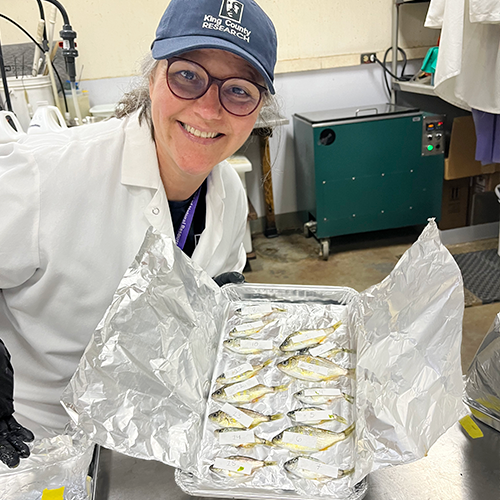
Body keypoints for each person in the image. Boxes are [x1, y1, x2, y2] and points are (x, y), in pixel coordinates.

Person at [0, 0, 278, 460]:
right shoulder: (44, 173)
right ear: (152, 78)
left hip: (156, 437)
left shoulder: (227, 189)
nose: (209, 110)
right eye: (187, 75)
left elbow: (221, 276)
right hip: (35, 442)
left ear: (257, 109)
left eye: (238, 90)